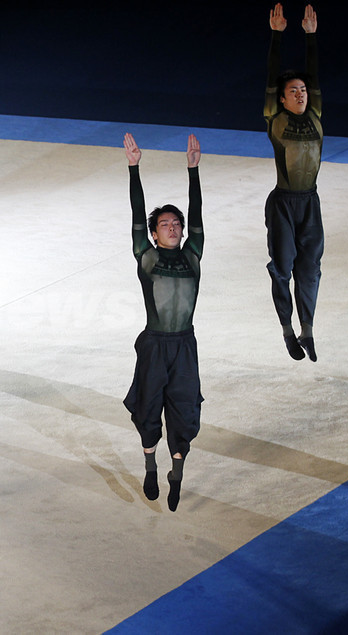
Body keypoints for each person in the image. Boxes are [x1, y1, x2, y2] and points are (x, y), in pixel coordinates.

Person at [122, 133, 203, 512]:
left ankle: (177, 472)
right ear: (154, 234)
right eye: (164, 224)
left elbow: (198, 214)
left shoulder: (193, 256)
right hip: (155, 344)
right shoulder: (148, 258)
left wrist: (193, 171)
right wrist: (134, 168)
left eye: (176, 224)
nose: (172, 228)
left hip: (184, 345)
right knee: (149, 408)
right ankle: (151, 467)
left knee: (184, 411)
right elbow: (137, 215)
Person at [264, 3, 323, 362]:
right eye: (294, 91)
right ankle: (287, 329)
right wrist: (277, 35)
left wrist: (311, 37)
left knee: (310, 270)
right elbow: (271, 79)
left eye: (303, 89)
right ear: (282, 99)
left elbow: (315, 77)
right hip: (284, 203)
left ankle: (308, 330)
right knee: (283, 267)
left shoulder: (316, 114)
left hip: (310, 204)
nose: (300, 93)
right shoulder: (274, 118)